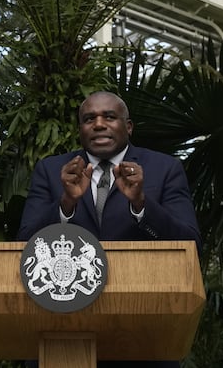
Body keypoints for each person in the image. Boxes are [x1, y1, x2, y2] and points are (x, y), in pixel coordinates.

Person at [17, 91, 202, 368]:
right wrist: (66, 203)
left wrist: (141, 204)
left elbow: (190, 244)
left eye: (109, 117)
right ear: (81, 128)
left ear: (128, 127)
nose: (99, 124)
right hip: (64, 332)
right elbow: (24, 242)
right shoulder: (52, 170)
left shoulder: (164, 169)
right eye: (89, 118)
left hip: (143, 335)